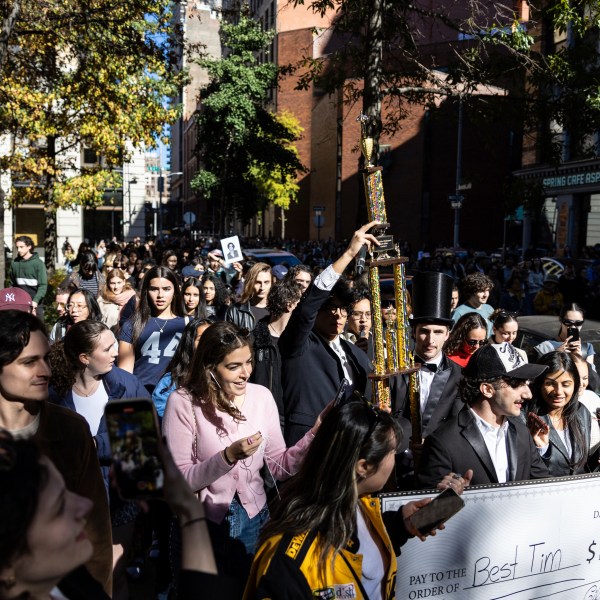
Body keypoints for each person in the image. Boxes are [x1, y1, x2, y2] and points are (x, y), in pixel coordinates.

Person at [243, 400, 467, 599]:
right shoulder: (288, 562)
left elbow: (359, 552)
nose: (395, 460)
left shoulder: (361, 506)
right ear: (364, 467)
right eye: (391, 452)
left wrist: (401, 524)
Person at [162, 322, 321, 593]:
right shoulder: (183, 402)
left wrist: (317, 433)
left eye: (248, 362)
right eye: (233, 366)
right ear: (210, 367)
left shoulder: (262, 397)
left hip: (255, 520)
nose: (245, 373)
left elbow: (280, 466)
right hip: (202, 526)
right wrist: (227, 457)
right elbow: (178, 482)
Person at [0, 431, 227, 600]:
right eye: (58, 508)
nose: (86, 505)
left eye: (68, 492)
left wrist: (188, 508)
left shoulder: (70, 580)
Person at [0, 310, 112, 592]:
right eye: (29, 362)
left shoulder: (71, 430)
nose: (46, 371)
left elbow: (95, 531)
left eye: (47, 359)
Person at [47, 320, 149, 600]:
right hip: (71, 503)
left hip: (118, 502)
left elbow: (141, 441)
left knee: (113, 573)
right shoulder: (55, 392)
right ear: (85, 358)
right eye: (107, 349)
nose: (116, 352)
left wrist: (93, 444)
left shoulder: (126, 385)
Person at [279, 224, 377, 445]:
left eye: (343, 310)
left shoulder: (354, 353)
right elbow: (306, 309)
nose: (338, 316)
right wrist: (349, 254)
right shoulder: (300, 343)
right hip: (307, 444)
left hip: (345, 444)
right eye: (330, 309)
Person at [418, 342, 550, 489]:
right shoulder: (443, 442)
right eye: (516, 384)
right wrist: (449, 497)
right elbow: (431, 505)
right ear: (487, 389)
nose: (528, 394)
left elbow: (544, 487)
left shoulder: (522, 433)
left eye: (527, 383)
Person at [390, 272, 463, 487]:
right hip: (394, 467)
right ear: (414, 332)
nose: (430, 340)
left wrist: (432, 446)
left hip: (438, 469)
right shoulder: (395, 370)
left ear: (448, 334)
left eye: (438, 332)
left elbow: (458, 425)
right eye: (424, 332)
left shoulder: (459, 376)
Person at [117, 266, 188, 395]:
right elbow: (125, 376)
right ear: (146, 291)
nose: (160, 295)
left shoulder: (188, 324)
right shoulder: (132, 325)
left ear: (175, 291)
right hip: (141, 398)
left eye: (166, 289)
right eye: (154, 289)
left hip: (177, 399)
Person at [525, 351, 592, 476]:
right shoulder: (526, 418)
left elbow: (582, 466)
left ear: (575, 385)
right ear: (539, 384)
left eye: (566, 384)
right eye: (550, 384)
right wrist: (542, 449)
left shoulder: (582, 412)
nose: (558, 392)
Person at [251, 281, 304, 424]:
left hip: (293, 418)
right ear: (290, 304)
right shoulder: (253, 340)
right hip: (261, 418)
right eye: (300, 302)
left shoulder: (301, 341)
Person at [152, 317, 213, 419]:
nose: (207, 343)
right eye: (201, 338)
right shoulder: (171, 381)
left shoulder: (223, 374)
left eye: (211, 338)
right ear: (189, 343)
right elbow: (161, 412)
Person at [533, 303, 595, 367]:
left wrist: (579, 359)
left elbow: (592, 376)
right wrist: (557, 354)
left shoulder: (587, 348)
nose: (573, 327)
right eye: (568, 322)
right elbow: (540, 374)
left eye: (578, 323)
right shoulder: (545, 346)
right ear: (561, 321)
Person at [8, 235, 47, 318]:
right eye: (17, 247)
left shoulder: (38, 264)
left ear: (29, 246)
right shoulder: (14, 263)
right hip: (19, 304)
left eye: (21, 247)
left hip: (35, 304)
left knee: (37, 329)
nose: (19, 250)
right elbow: (12, 284)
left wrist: (35, 301)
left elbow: (43, 285)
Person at [225, 262, 273, 331]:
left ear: (271, 284)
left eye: (266, 282)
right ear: (250, 283)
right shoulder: (235, 311)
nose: (262, 287)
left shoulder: (278, 310)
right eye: (258, 282)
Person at [571, 352, 600, 457]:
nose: (581, 383)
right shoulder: (556, 406)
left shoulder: (592, 397)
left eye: (585, 378)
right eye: (576, 377)